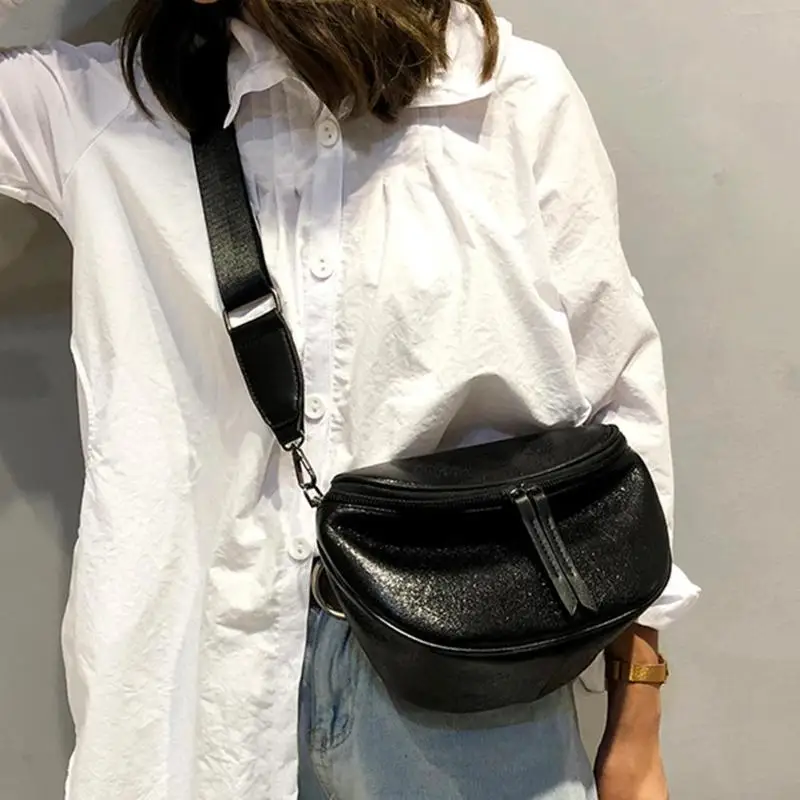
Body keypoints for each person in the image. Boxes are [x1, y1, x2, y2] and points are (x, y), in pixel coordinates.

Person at [0, 0, 701, 798]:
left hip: (469, 700)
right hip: (200, 697)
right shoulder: (102, 112)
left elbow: (621, 414)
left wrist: (637, 716)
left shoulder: (511, 97)